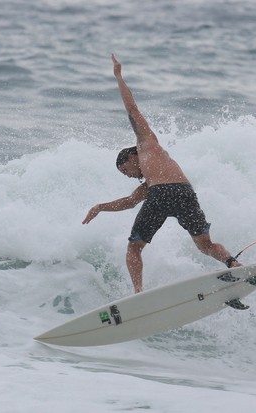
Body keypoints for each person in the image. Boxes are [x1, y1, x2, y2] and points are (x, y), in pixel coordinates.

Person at [82, 54, 240, 294]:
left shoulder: (145, 142)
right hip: (184, 193)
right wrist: (100, 207)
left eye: (126, 171)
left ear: (131, 156)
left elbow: (131, 107)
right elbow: (130, 201)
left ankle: (138, 293)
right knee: (205, 245)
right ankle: (233, 263)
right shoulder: (151, 178)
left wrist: (118, 76)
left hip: (163, 194)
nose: (131, 176)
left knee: (134, 248)